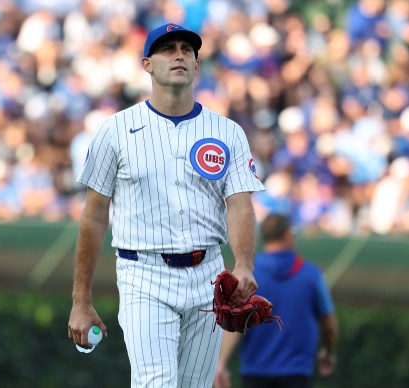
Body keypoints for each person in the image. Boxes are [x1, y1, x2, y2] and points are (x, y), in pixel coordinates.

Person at [68, 23, 266, 387]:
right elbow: (94, 218)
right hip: (143, 274)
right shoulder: (115, 130)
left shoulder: (227, 132)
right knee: (156, 383)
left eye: (187, 50)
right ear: (147, 64)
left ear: (196, 66)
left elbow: (240, 204)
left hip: (208, 273)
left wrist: (243, 263)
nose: (179, 54)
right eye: (168, 48)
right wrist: (81, 300)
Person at [214, 213, 338, 388]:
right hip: (297, 374)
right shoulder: (312, 275)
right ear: (288, 234)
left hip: (254, 374)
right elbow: (329, 325)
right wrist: (329, 351)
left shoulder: (249, 276)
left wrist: (221, 363)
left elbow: (234, 324)